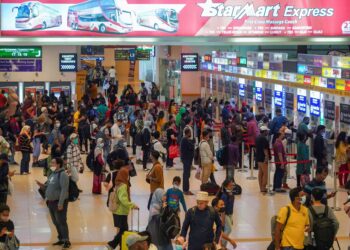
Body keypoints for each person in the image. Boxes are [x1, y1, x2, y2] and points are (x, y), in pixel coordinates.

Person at [36, 157, 71, 249]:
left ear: (58, 164)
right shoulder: (53, 174)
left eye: (53, 162)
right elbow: (48, 186)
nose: (51, 164)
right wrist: (42, 185)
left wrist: (61, 203)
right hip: (50, 202)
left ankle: (66, 240)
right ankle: (61, 238)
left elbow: (64, 190)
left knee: (61, 221)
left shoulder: (63, 174)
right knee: (55, 222)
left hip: (58, 202)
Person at [107, 168, 138, 249]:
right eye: (127, 175)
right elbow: (123, 199)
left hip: (116, 211)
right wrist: (132, 205)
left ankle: (120, 246)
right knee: (124, 230)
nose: (128, 177)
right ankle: (112, 244)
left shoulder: (117, 184)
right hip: (121, 212)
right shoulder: (123, 185)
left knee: (123, 230)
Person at [216, 179, 235, 248]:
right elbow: (222, 208)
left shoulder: (231, 194)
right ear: (226, 186)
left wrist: (231, 217)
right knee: (229, 229)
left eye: (232, 184)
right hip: (225, 214)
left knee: (227, 230)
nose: (232, 186)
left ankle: (224, 245)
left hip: (230, 214)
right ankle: (222, 245)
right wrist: (223, 218)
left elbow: (231, 206)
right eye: (230, 185)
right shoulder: (224, 195)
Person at [255, 126, 271, 193]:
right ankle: (263, 187)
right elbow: (265, 149)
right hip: (263, 158)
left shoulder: (257, 137)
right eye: (267, 131)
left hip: (258, 157)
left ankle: (261, 187)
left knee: (260, 173)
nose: (268, 132)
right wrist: (266, 157)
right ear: (264, 131)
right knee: (265, 174)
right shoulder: (264, 139)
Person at [180, 128, 195, 195]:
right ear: (188, 133)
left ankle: (186, 189)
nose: (190, 134)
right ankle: (186, 190)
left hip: (187, 160)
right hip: (186, 160)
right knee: (186, 175)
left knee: (187, 175)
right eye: (190, 133)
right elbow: (191, 147)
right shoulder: (185, 140)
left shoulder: (186, 140)